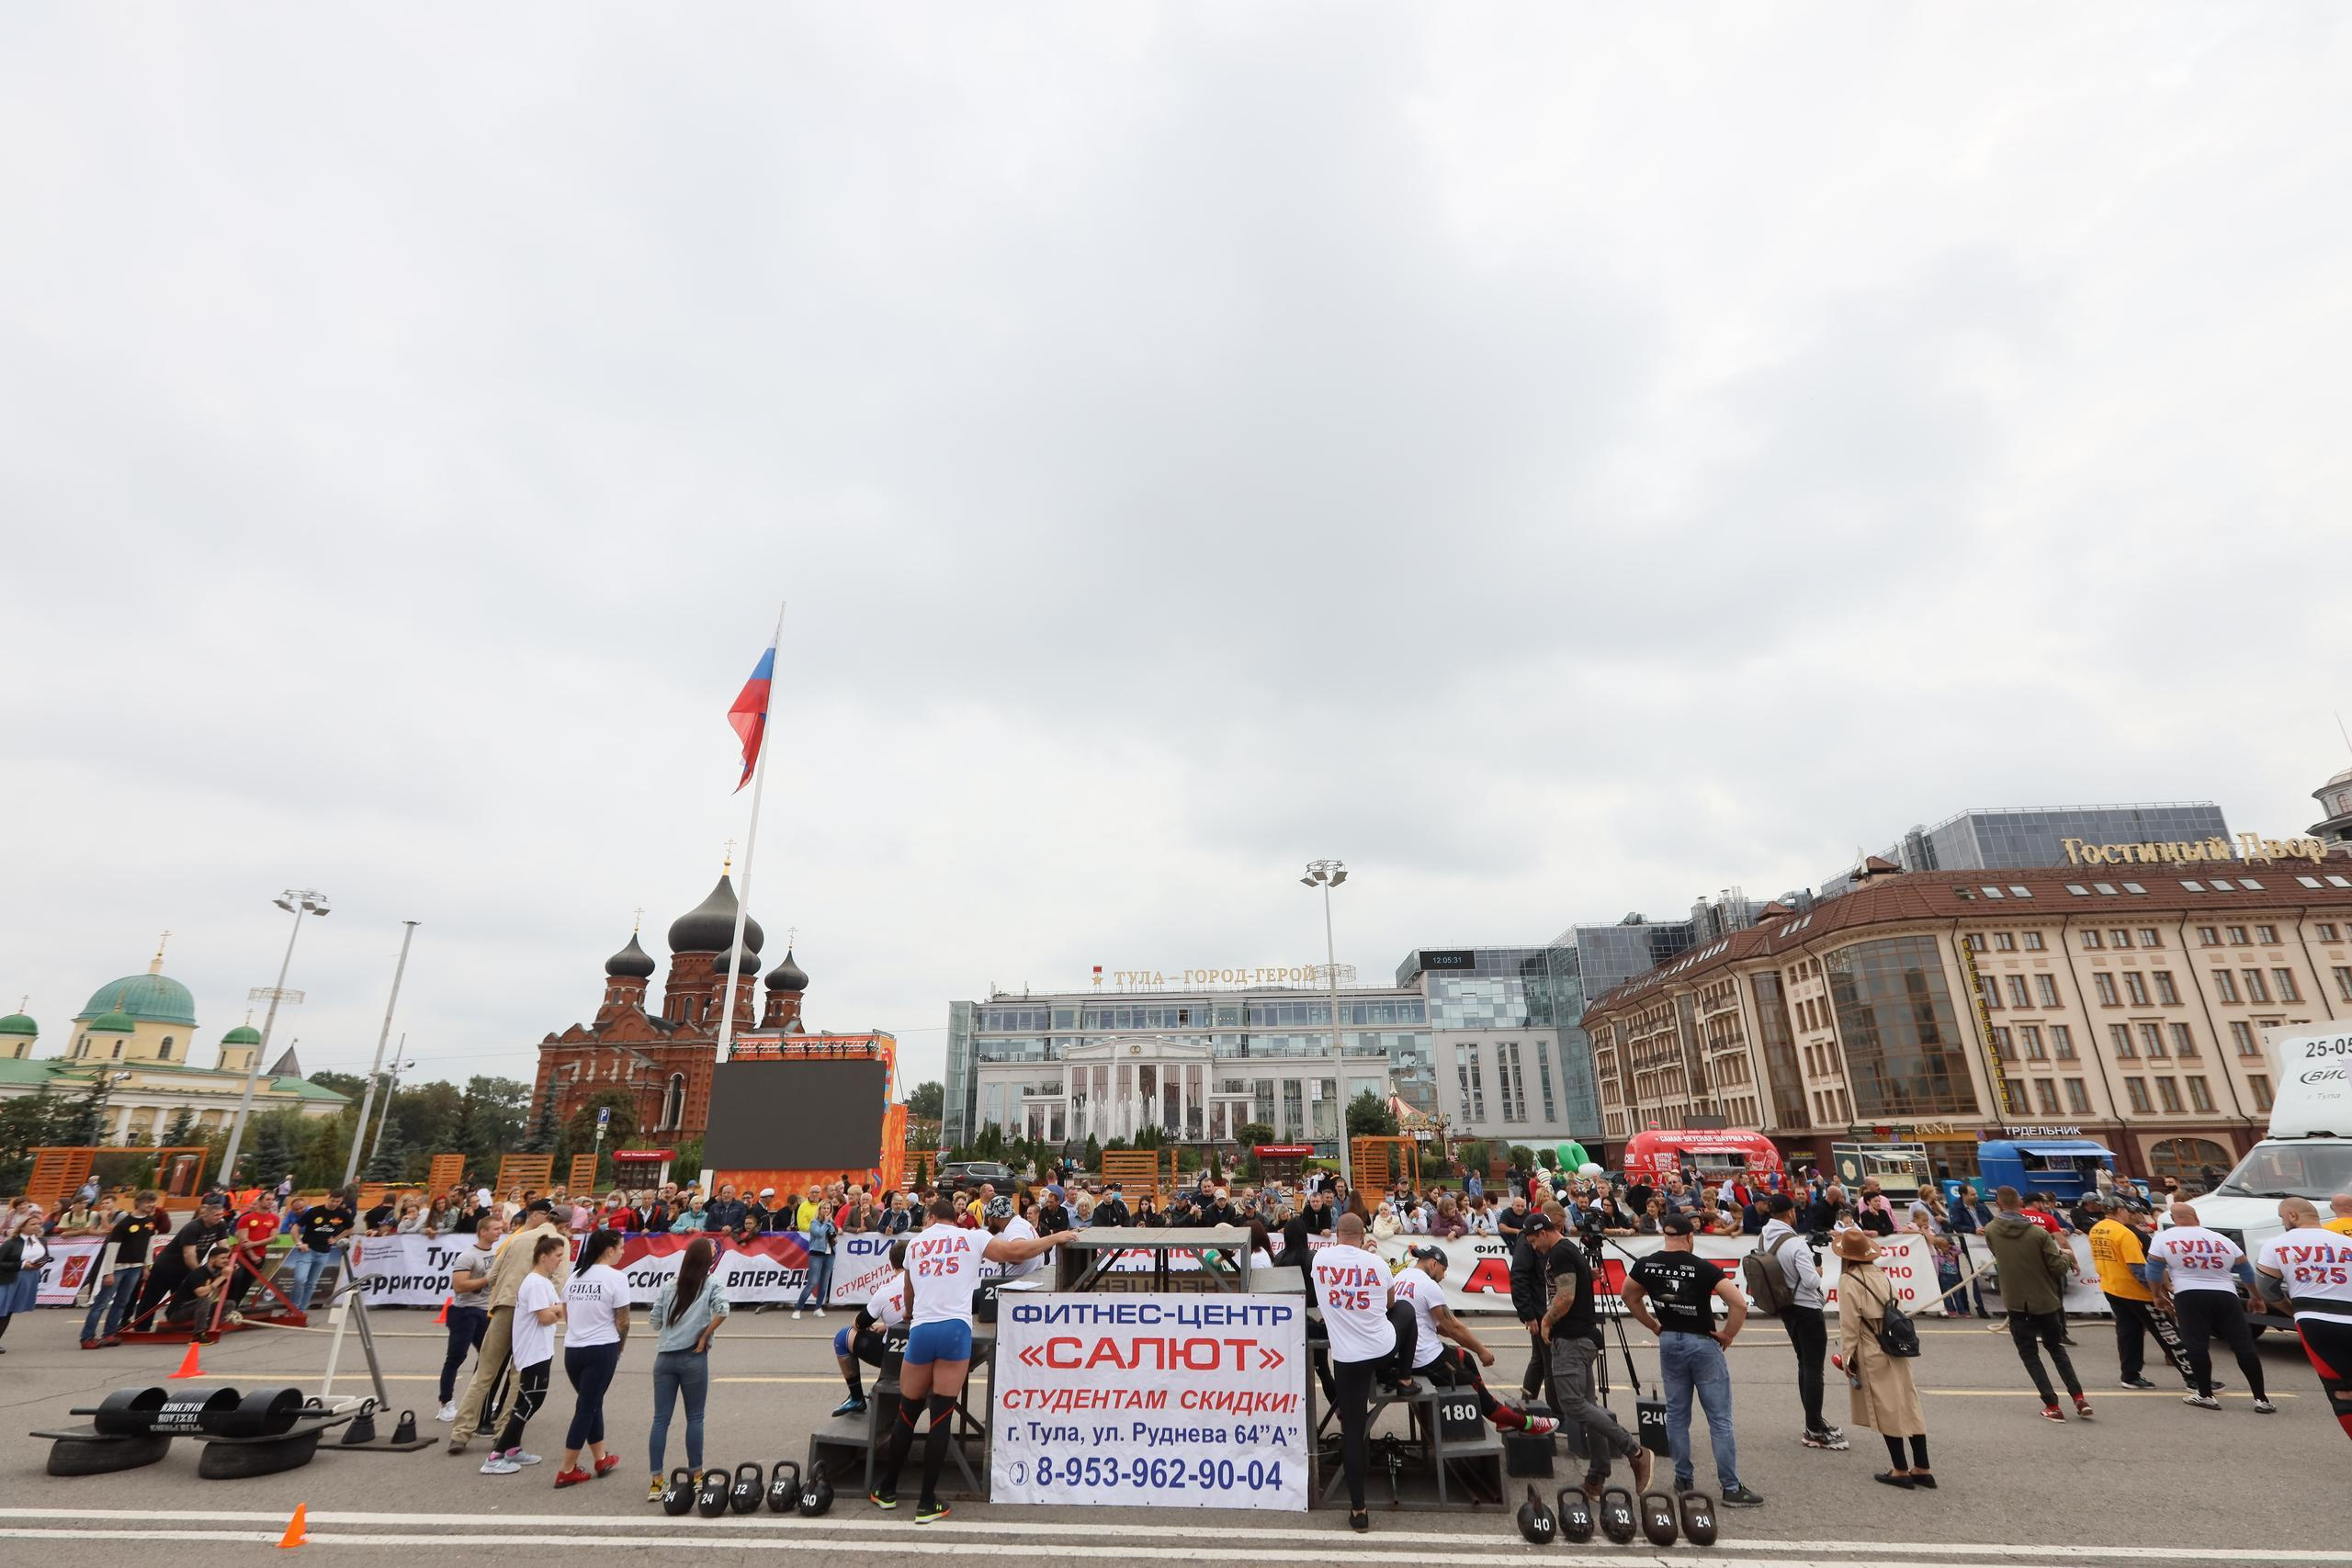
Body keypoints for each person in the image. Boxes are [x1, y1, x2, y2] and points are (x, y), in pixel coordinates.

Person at [871, 1196, 1069, 1524]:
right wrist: (1056, 1238)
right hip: (954, 1330)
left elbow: (908, 1293)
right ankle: (926, 1503)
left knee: (907, 1412)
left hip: (921, 1330)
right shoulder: (971, 1236)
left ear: (932, 1218)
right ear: (955, 1218)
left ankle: (887, 1490)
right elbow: (1016, 1252)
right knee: (941, 1415)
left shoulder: (915, 1244)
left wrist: (908, 1314)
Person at [1622, 1214, 1762, 1506]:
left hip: (1670, 1340)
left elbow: (1629, 1295)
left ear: (1666, 1236)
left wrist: (1652, 1325)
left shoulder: (1646, 1264)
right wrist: (1728, 1334)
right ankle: (1731, 1487)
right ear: (1689, 1237)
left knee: (1676, 1415)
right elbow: (1738, 1303)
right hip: (1702, 1342)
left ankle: (1683, 1478)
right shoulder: (1702, 1267)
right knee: (1719, 1420)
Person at [1312, 1212, 1417, 1533]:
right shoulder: (1377, 1264)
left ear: (1337, 1235)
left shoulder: (1320, 1261)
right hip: (1380, 1350)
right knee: (1407, 1311)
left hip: (1347, 1358)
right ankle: (1404, 1377)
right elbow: (1389, 1304)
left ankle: (1359, 1510)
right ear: (1362, 1235)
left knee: (1353, 1433)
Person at [1530, 1218, 1650, 1498]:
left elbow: (1566, 1295)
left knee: (1571, 1404)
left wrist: (1547, 1320)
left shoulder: (1560, 1252)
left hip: (1571, 1340)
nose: (1534, 1247)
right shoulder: (1570, 1250)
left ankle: (1634, 1451)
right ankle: (1597, 1475)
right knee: (1588, 1408)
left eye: (1534, 1240)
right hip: (1582, 1338)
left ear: (1543, 1232)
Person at [450, 1199, 571, 1453]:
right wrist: (555, 1308)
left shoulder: (519, 1238)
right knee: (519, 1374)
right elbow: (559, 1278)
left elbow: (492, 1274)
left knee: (484, 1372)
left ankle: (461, 1432)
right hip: (534, 1308)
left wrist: (501, 1293)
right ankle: (504, 1432)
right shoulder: (560, 1243)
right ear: (563, 1224)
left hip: (506, 1304)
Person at [2144, 1201, 2274, 1413]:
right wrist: (2256, 1296)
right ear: (2195, 1216)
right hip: (2226, 1294)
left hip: (2188, 1294)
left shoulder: (2164, 1238)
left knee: (2196, 1344)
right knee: (2243, 1345)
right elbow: (2246, 1271)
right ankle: (2261, 1399)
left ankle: (2206, 1395)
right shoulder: (2220, 1239)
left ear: (2173, 1220)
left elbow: (2153, 1270)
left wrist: (2157, 1295)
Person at [1831, 1228, 1933, 1488]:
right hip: (1894, 1344)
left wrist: (1847, 1358)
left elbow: (1849, 1325)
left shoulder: (1849, 1280)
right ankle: (1922, 1466)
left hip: (1871, 1346)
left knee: (1887, 1408)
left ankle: (1900, 1469)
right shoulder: (1882, 1275)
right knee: (1909, 1403)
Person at [1982, 1186, 2093, 1421]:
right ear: (2020, 1203)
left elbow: (1997, 1255)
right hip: (2045, 1298)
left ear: (1998, 1203)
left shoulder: (1991, 1229)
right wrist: (2065, 1256)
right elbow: (2057, 1268)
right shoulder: (2038, 1233)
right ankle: (2078, 1397)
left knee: (2029, 1354)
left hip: (2016, 1300)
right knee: (2056, 1349)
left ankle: (2052, 1405)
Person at [2254, 1198, 2352, 1444]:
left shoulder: (2276, 1245)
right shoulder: (2347, 1243)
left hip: (2314, 1320)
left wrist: (2290, 1310)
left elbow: (2266, 1289)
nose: (2282, 1222)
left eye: (2282, 1217)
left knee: (2342, 1391)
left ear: (2292, 1215)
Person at [1759, 1192, 1845, 1450]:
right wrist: (1818, 1271)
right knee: (1813, 1369)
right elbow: (1811, 1281)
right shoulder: (1795, 1244)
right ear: (1790, 1214)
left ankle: (1814, 1420)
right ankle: (1814, 1428)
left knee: (1804, 1365)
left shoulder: (1765, 1236)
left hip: (1786, 1305)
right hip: (1806, 1307)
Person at [645, 1235, 728, 1500]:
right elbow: (724, 1310)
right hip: (693, 1356)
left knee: (660, 1419)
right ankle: (697, 1476)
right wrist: (704, 1335)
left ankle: (657, 1481)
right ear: (709, 1261)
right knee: (695, 1417)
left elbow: (655, 1321)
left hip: (665, 1357)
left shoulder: (670, 1285)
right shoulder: (711, 1283)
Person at [482, 1234, 567, 1474]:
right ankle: (496, 1454)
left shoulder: (543, 1282)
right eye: (557, 1256)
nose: (560, 1261)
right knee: (531, 1402)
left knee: (525, 1401)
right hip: (533, 1352)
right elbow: (545, 1317)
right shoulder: (536, 1283)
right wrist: (561, 1309)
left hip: (539, 1349)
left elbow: (550, 1313)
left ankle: (513, 1449)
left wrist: (555, 1310)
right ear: (543, 1257)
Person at [2087, 1200, 2194, 1391]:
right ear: (2120, 1210)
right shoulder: (2124, 1233)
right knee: (2169, 1333)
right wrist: (2157, 1293)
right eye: (2127, 1211)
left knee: (2129, 1333)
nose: (2129, 1215)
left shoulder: (2097, 1228)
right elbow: (2138, 1269)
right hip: (2136, 1292)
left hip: (2112, 1288)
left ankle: (2130, 1375)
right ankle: (2195, 1378)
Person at [552, 1228, 628, 1486]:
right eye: (620, 1247)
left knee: (592, 1402)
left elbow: (566, 1312)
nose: (622, 1251)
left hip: (573, 1349)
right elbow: (624, 1320)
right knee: (586, 1407)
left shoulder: (574, 1276)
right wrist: (620, 1345)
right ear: (609, 1250)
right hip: (601, 1347)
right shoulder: (616, 1278)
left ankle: (601, 1457)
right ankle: (566, 1468)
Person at [438, 1211, 503, 1421]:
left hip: (486, 1311)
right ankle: (445, 1403)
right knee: (456, 1357)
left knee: (488, 1357)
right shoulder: (468, 1256)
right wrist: (487, 1280)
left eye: (500, 1229)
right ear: (482, 1232)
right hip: (465, 1312)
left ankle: (479, 1399)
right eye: (495, 1229)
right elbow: (459, 1286)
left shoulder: (494, 1254)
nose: (499, 1232)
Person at [81, 1190, 165, 1348]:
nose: (151, 1205)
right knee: (101, 1303)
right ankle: (87, 1337)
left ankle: (110, 1334)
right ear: (139, 1203)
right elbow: (112, 1248)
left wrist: (147, 1265)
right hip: (118, 1268)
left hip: (135, 1268)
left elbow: (149, 1244)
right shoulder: (125, 1223)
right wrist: (108, 1272)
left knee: (122, 1302)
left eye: (153, 1202)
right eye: (148, 1202)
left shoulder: (150, 1221)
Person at [833, 1242, 910, 1416]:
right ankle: (881, 1383)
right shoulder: (925, 1282)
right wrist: (888, 1326)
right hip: (924, 1350)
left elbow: (859, 1323)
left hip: (895, 1355)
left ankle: (856, 1397)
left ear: (892, 1263)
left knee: (842, 1337)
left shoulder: (885, 1291)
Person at [137, 1192, 232, 1327]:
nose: (219, 1218)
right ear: (206, 1215)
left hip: (186, 1269)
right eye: (216, 1215)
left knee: (184, 1299)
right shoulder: (193, 1227)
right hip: (167, 1267)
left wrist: (226, 1263)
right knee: (151, 1299)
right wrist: (199, 1273)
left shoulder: (220, 1225)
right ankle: (141, 1328)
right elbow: (189, 1254)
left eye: (221, 1215)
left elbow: (223, 1247)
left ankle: (180, 1323)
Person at [285, 1188, 355, 1314]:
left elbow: (350, 1229)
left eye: (338, 1201)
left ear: (341, 1201)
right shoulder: (314, 1212)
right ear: (328, 1197)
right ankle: (292, 1308)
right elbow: (295, 1228)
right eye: (333, 1200)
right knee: (300, 1279)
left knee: (311, 1284)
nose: (334, 1204)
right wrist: (299, 1243)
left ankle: (301, 1310)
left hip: (324, 1253)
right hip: (308, 1250)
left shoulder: (343, 1213)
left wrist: (336, 1238)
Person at [0, 1207, 49, 1348]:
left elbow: (46, 1256)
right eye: (32, 1224)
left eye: (38, 1224)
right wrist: (21, 1265)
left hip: (29, 1278)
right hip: (9, 1278)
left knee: (9, 1311)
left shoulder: (41, 1241)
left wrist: (39, 1264)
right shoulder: (12, 1243)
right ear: (22, 1226)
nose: (36, 1227)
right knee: (2, 1310)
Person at [795, 1189, 837, 1319]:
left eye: (828, 1208)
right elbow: (818, 1234)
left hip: (830, 1254)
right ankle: (798, 1309)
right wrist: (825, 1223)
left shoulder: (831, 1223)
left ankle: (818, 1307)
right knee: (812, 1282)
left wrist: (833, 1230)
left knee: (824, 1283)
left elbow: (833, 1235)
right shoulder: (815, 1223)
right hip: (817, 1254)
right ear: (819, 1210)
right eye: (824, 1208)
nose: (826, 1210)